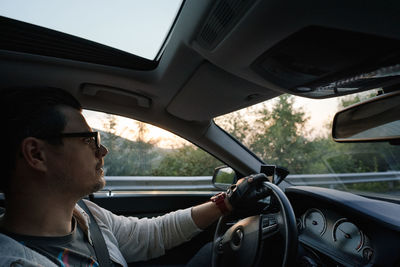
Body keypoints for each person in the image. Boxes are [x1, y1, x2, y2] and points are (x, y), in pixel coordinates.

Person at [0, 87, 270, 266]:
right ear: (36, 154)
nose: (102, 150)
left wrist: (227, 202)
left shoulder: (85, 214)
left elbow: (153, 234)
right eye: (88, 139)